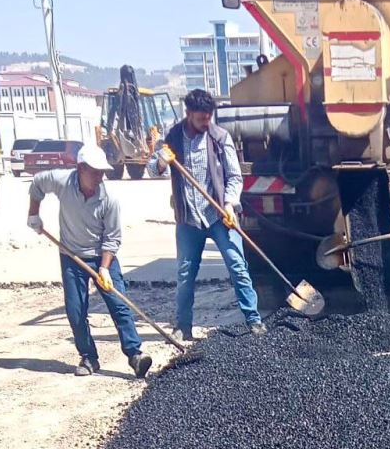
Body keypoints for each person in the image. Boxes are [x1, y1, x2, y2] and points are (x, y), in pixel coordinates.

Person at [27, 145, 153, 378]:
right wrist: (33, 213)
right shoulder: (61, 181)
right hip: (71, 256)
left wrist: (104, 268)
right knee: (76, 310)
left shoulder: (109, 199)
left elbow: (112, 238)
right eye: (95, 171)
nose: (100, 176)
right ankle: (88, 357)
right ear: (81, 168)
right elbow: (36, 184)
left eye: (102, 171)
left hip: (102, 257)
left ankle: (135, 355)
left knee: (119, 305)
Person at [148, 89, 264, 340]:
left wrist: (231, 204)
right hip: (188, 218)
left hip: (219, 216)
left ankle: (254, 321)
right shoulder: (173, 138)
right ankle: (183, 327)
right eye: (201, 118)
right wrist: (161, 161)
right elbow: (152, 170)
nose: (206, 122)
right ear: (189, 114)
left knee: (237, 266)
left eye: (209, 117)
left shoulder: (220, 137)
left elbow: (234, 177)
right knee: (185, 273)